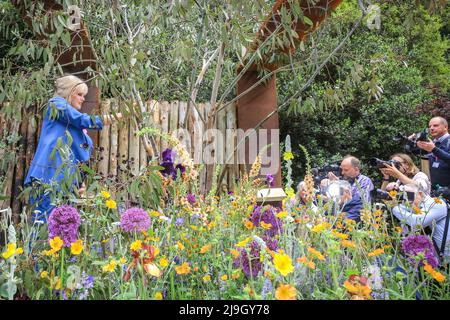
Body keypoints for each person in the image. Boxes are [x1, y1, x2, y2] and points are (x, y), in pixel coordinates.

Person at [24, 75, 123, 222]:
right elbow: (84, 120)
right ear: (68, 92)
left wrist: (80, 182)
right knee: (43, 224)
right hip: (49, 178)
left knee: (63, 228)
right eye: (79, 94)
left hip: (67, 184)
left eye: (84, 95)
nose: (83, 99)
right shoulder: (56, 105)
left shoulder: (72, 124)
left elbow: (79, 156)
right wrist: (118, 116)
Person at [392, 184, 449, 264]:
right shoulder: (419, 206)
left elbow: (417, 222)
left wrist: (394, 208)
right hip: (438, 261)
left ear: (420, 193)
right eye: (404, 197)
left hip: (446, 259)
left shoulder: (437, 204)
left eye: (410, 195)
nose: (408, 200)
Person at [321, 155, 374, 222]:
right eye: (341, 169)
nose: (342, 173)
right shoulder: (341, 181)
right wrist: (327, 185)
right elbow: (331, 202)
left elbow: (361, 204)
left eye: (346, 170)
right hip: (335, 220)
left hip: (354, 223)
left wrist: (345, 201)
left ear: (356, 169)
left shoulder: (364, 181)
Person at [415, 117, 450, 191]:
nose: (431, 128)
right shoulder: (432, 143)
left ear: (445, 127)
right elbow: (422, 156)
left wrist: (434, 149)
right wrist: (411, 145)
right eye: (430, 126)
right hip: (434, 190)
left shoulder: (447, 142)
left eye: (435, 125)